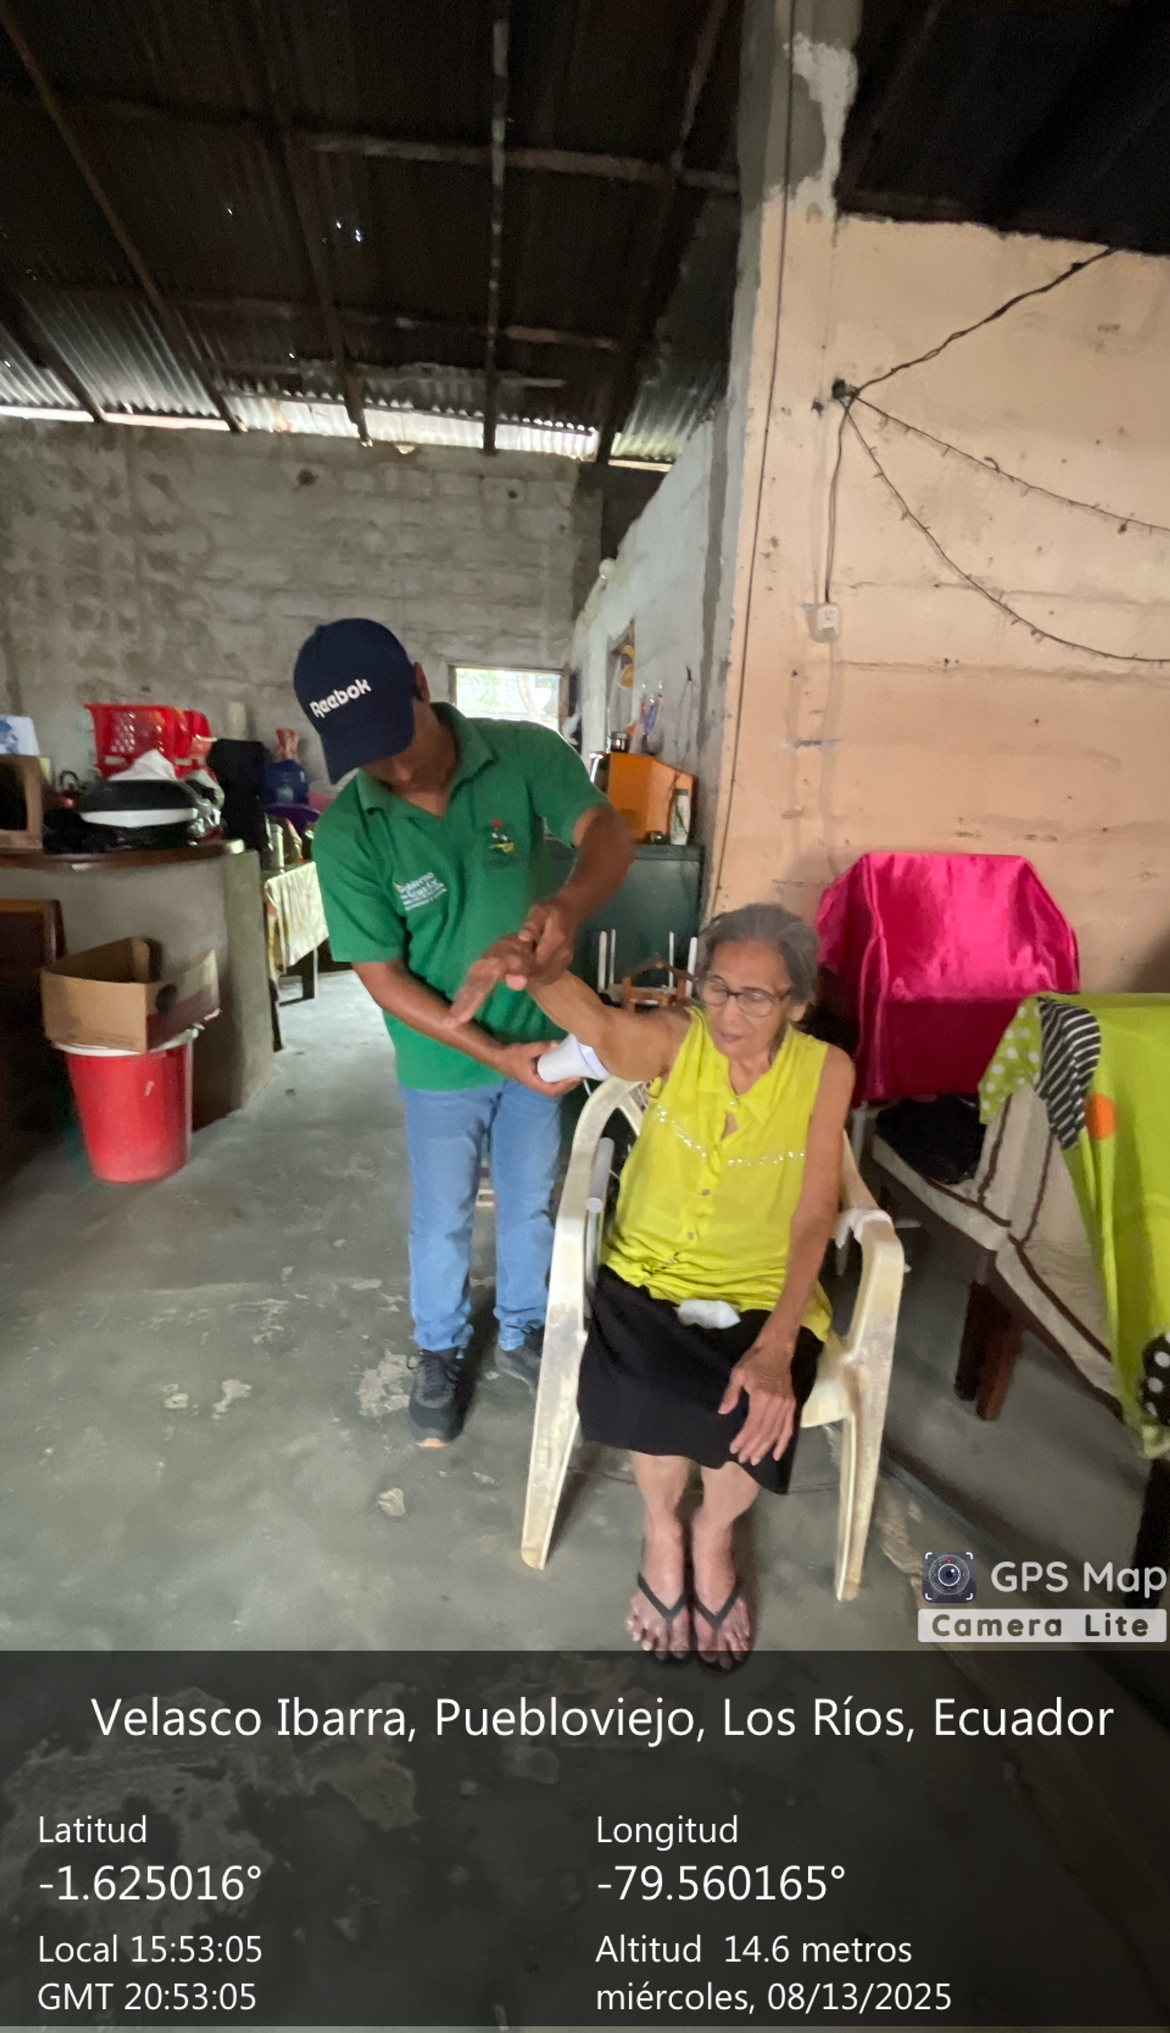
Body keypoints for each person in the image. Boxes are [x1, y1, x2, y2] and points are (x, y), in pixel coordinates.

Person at [452, 902, 853, 1667]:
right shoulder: (678, 1037)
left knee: (754, 1409)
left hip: (765, 1285)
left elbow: (814, 1213)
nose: (729, 1012)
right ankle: (663, 1529)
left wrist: (778, 1343)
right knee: (652, 1391)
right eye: (717, 987)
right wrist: (540, 973)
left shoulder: (825, 1070)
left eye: (756, 996)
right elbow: (605, 1031)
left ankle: (713, 1534)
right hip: (647, 1271)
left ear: (798, 1004)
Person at [299, 619, 634, 1446]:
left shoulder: (519, 753)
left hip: (542, 1037)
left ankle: (521, 1325)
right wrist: (488, 1051)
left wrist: (566, 905)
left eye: (399, 734)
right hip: (440, 1062)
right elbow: (382, 977)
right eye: (370, 754)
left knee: (529, 1200)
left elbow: (609, 834)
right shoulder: (349, 832)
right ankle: (440, 1346)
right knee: (442, 1215)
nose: (398, 766)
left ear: (420, 682)